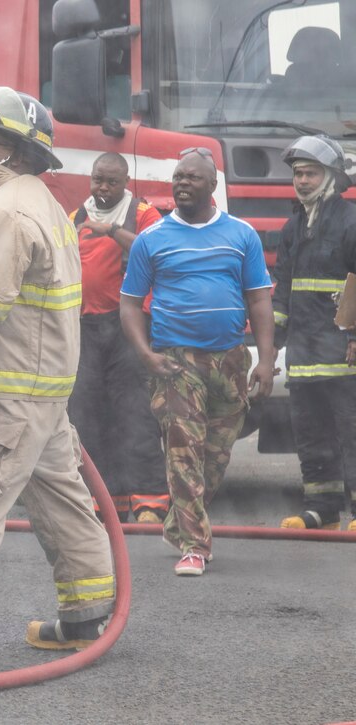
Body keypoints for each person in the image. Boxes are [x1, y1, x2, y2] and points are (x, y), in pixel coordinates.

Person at [0, 87, 113, 670]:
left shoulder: (5, 211)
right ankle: (87, 617)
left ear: (15, 151)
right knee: (63, 502)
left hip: (2, 394)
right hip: (43, 394)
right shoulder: (45, 202)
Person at [120, 148, 275, 576]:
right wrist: (146, 354)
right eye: (177, 177)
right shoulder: (152, 240)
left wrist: (265, 358)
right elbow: (130, 304)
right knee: (183, 452)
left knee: (216, 456)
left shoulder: (242, 234)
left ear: (212, 186)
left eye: (191, 177)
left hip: (230, 360)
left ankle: (179, 521)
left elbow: (259, 299)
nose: (181, 183)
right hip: (176, 362)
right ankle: (195, 546)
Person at [67, 152, 168, 524]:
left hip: (130, 327)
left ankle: (150, 500)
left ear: (126, 182)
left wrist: (111, 231)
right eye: (98, 180)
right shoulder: (76, 217)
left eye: (111, 181)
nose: (103, 188)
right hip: (85, 328)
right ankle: (100, 500)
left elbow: (157, 253)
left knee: (135, 411)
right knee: (86, 412)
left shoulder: (143, 215)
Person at [272, 135, 356, 532]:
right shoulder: (293, 228)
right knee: (310, 432)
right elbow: (282, 291)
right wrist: (271, 348)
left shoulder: (350, 221)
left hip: (344, 354)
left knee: (351, 431)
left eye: (310, 173)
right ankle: (321, 508)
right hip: (304, 356)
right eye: (298, 174)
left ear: (331, 178)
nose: (302, 181)